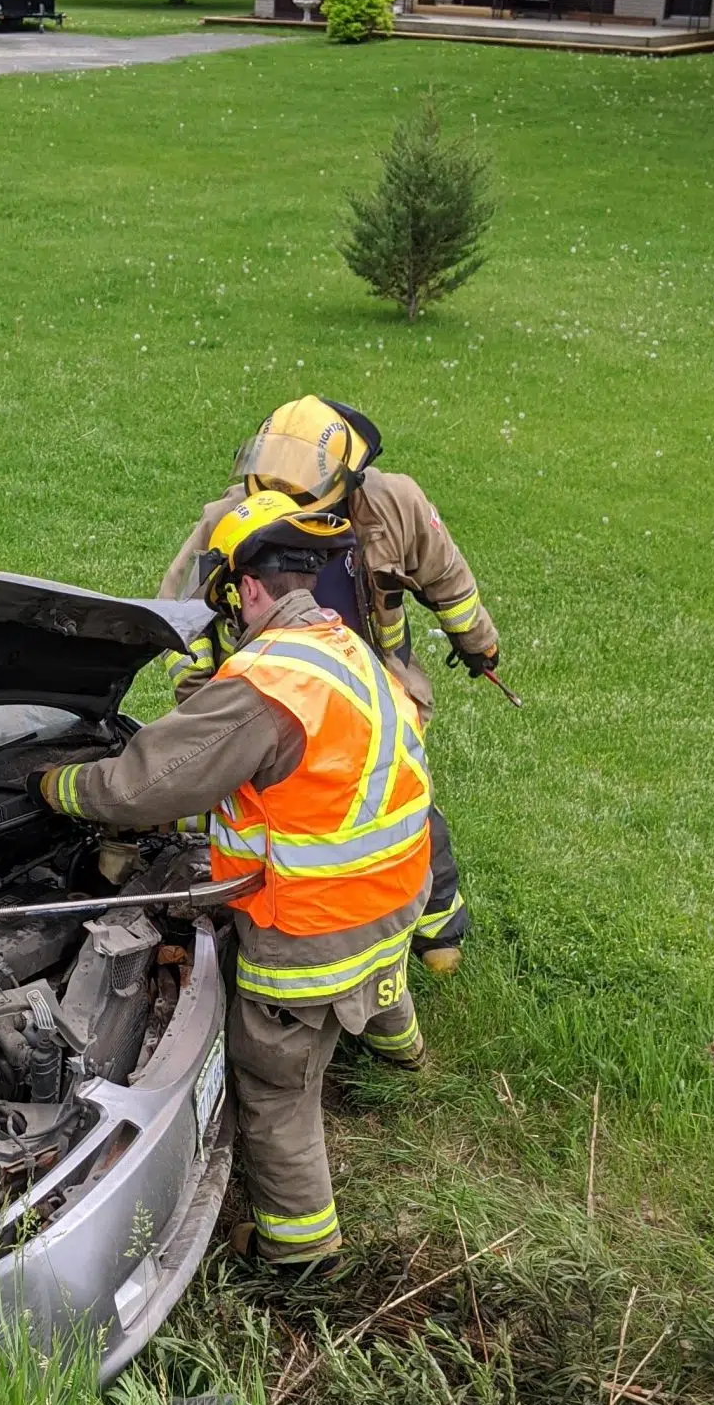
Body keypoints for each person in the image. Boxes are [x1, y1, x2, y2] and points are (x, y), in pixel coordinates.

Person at [35, 492, 433, 1275]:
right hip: (395, 896)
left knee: (275, 1084)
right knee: (375, 980)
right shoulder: (345, 651)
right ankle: (405, 1056)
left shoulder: (268, 680)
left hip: (317, 926)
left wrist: (55, 789)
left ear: (248, 588)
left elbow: (145, 787)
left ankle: (301, 1254)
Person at [159, 397, 502, 976]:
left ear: (346, 482)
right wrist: (202, 698)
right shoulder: (231, 516)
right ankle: (282, 921)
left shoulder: (394, 504)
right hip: (277, 694)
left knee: (402, 803)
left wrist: (478, 643)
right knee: (280, 815)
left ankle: (437, 925)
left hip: (372, 684)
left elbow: (447, 576)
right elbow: (180, 610)